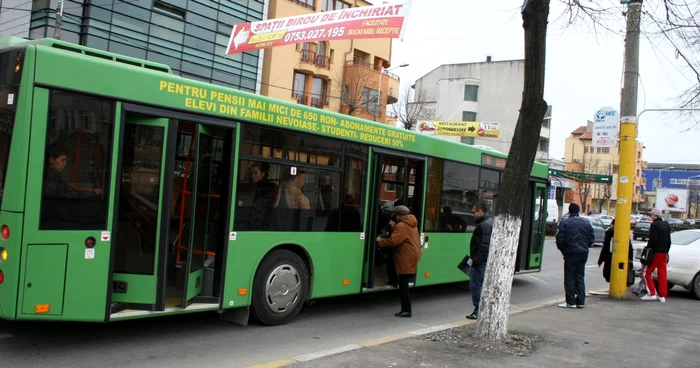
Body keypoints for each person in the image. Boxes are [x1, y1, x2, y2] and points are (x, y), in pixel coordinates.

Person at [376, 205, 422, 318]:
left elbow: (393, 241)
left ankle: (406, 310)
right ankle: (406, 309)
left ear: (398, 215)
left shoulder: (401, 225)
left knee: (403, 284)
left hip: (406, 256)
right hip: (411, 254)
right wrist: (394, 227)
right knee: (403, 282)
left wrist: (380, 241)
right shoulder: (411, 222)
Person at [555, 203, 594, 309]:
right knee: (580, 276)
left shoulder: (565, 223)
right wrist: (586, 247)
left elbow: (560, 239)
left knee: (569, 277)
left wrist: (563, 250)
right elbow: (591, 238)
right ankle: (581, 301)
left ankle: (571, 301)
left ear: (569, 211)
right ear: (578, 211)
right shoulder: (586, 222)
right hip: (583, 253)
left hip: (570, 253)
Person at [466, 202, 493, 320]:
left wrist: (475, 262)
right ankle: (480, 309)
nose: (473, 215)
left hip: (481, 261)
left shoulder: (484, 225)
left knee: (475, 285)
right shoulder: (487, 222)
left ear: (480, 211)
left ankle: (478, 310)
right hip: (481, 260)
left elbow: (484, 247)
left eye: (474, 212)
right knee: (478, 284)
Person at [641, 207, 672, 303]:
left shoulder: (654, 225)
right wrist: (666, 251)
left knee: (646, 272)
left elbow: (653, 240)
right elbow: (669, 241)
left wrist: (647, 249)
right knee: (662, 274)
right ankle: (662, 296)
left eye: (652, 215)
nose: (651, 216)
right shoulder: (666, 225)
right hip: (664, 252)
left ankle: (651, 293)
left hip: (656, 252)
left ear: (655, 215)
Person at [597, 218, 634, 284]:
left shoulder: (623, 234)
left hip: (619, 258)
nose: (613, 227)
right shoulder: (609, 232)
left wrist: (630, 260)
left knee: (617, 274)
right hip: (610, 256)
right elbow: (605, 246)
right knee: (608, 274)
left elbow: (629, 247)